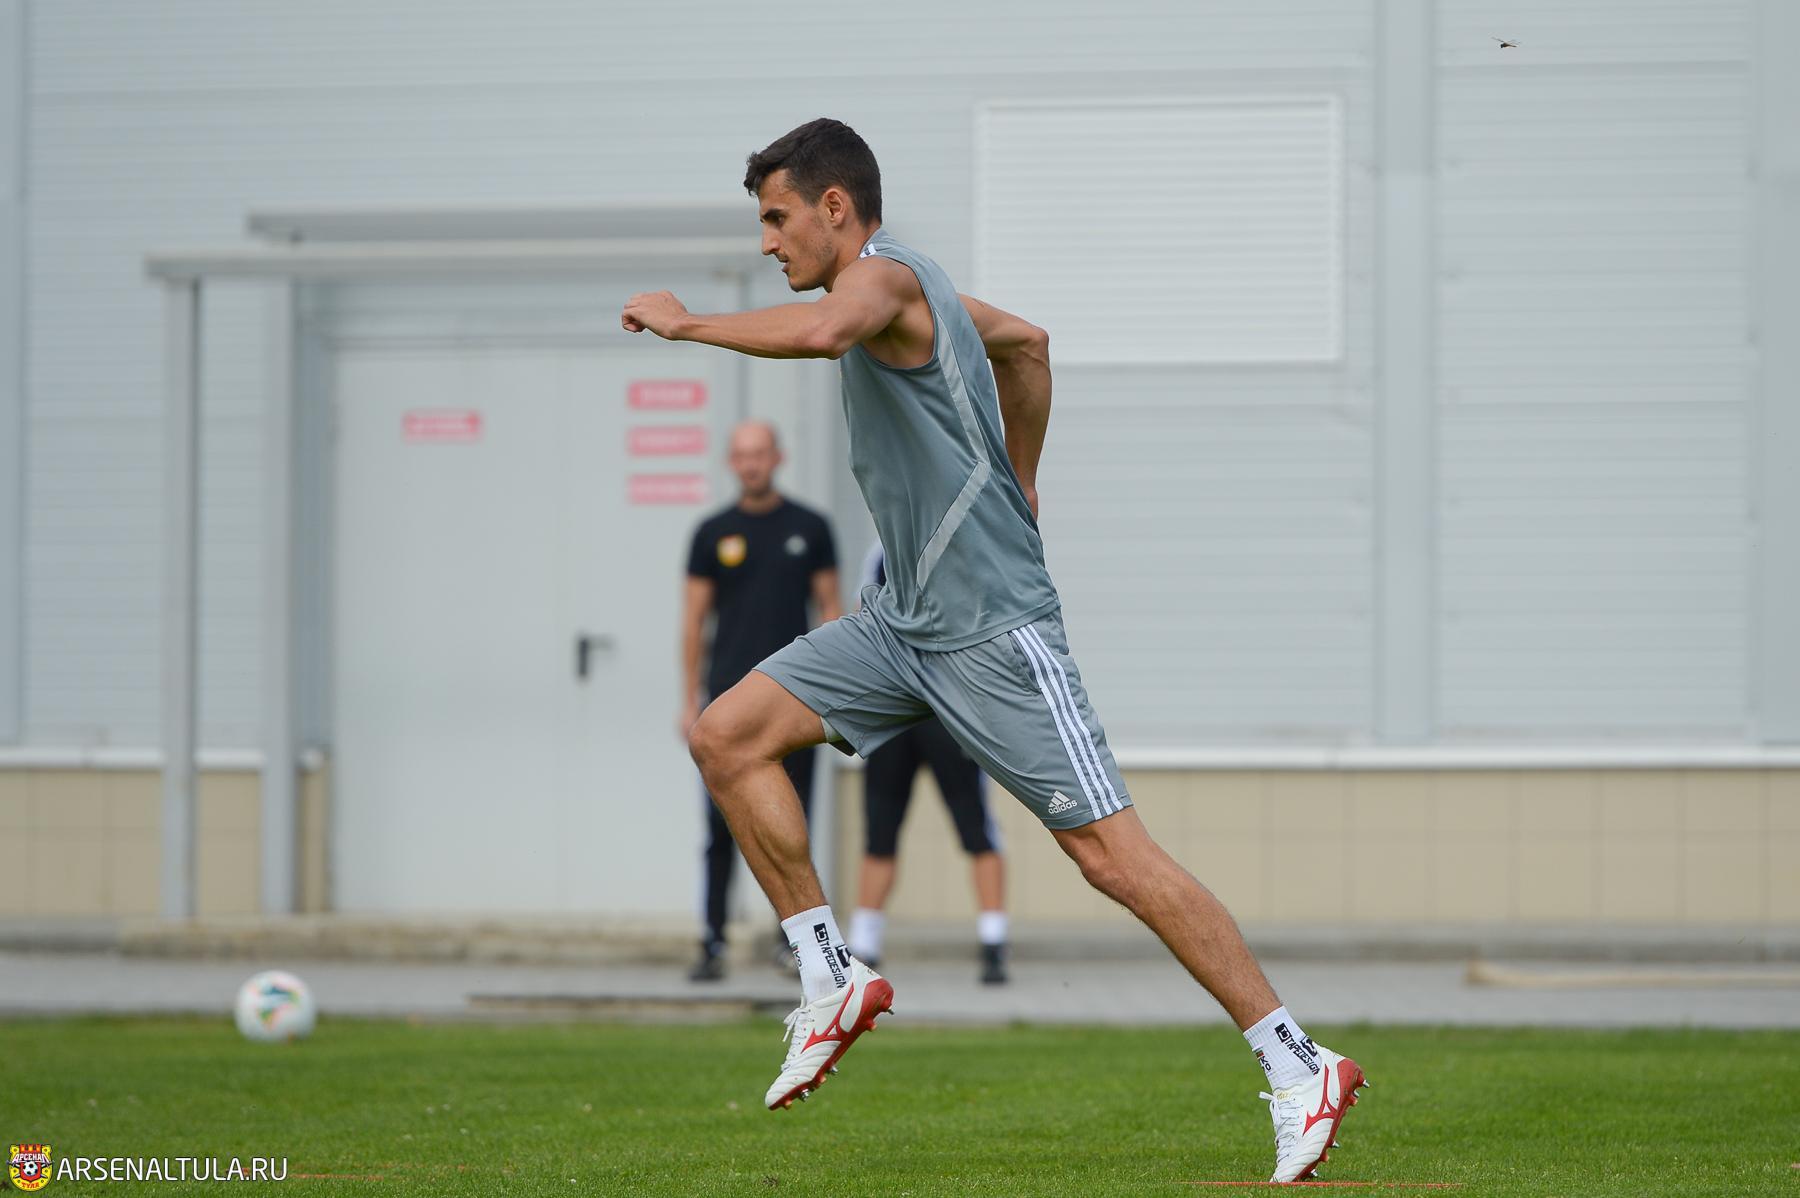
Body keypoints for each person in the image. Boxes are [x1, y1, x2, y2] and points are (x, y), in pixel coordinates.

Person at [624, 118, 1366, 1184]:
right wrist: (1023, 476)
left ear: (835, 207)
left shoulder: (883, 279)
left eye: (778, 218)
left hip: (994, 631)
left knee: (1111, 858)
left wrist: (687, 323)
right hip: (902, 623)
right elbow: (1029, 343)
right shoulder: (920, 297)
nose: (768, 241)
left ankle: (1300, 1065)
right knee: (726, 736)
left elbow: (827, 333)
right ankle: (829, 973)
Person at [680, 420, 841, 982]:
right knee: (719, 827)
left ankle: (794, 945)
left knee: (791, 824)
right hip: (727, 702)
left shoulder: (810, 528)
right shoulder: (711, 533)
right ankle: (712, 941)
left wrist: (835, 694)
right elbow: (694, 620)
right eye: (741, 455)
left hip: (794, 702)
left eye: (759, 453)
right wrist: (689, 700)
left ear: (778, 457)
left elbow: (832, 611)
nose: (751, 464)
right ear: (732, 462)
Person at [848, 542, 1009, 985]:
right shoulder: (881, 550)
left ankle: (994, 942)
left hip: (948, 711)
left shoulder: (964, 544)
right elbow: (862, 622)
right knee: (880, 830)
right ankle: (864, 945)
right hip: (893, 710)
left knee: (976, 828)